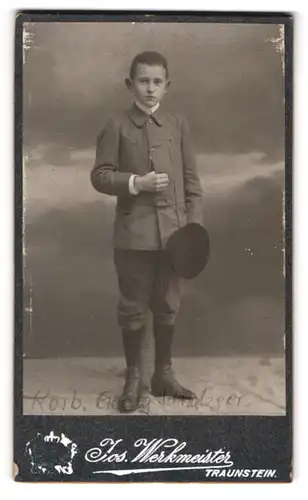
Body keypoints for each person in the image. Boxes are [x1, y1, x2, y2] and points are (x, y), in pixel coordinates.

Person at [91, 51, 203, 413]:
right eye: (143, 81)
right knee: (133, 309)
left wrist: (193, 230)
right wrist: (137, 182)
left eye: (157, 82)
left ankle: (163, 375)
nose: (150, 88)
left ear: (167, 86)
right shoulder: (116, 125)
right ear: (130, 84)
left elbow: (191, 184)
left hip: (175, 236)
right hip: (133, 237)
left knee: (169, 304)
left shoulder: (177, 124)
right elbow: (100, 175)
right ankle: (134, 378)